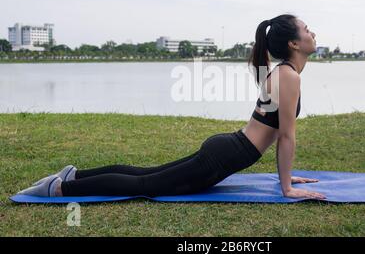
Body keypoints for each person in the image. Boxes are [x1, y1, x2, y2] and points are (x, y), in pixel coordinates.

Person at [17, 14, 326, 200]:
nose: (313, 33)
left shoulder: (284, 72)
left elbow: (272, 129)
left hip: (227, 147)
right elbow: (285, 136)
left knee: (145, 174)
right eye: (307, 29)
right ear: (294, 44)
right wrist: (286, 187)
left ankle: (74, 175)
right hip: (227, 154)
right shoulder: (288, 76)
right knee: (145, 185)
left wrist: (288, 176)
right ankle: (60, 189)